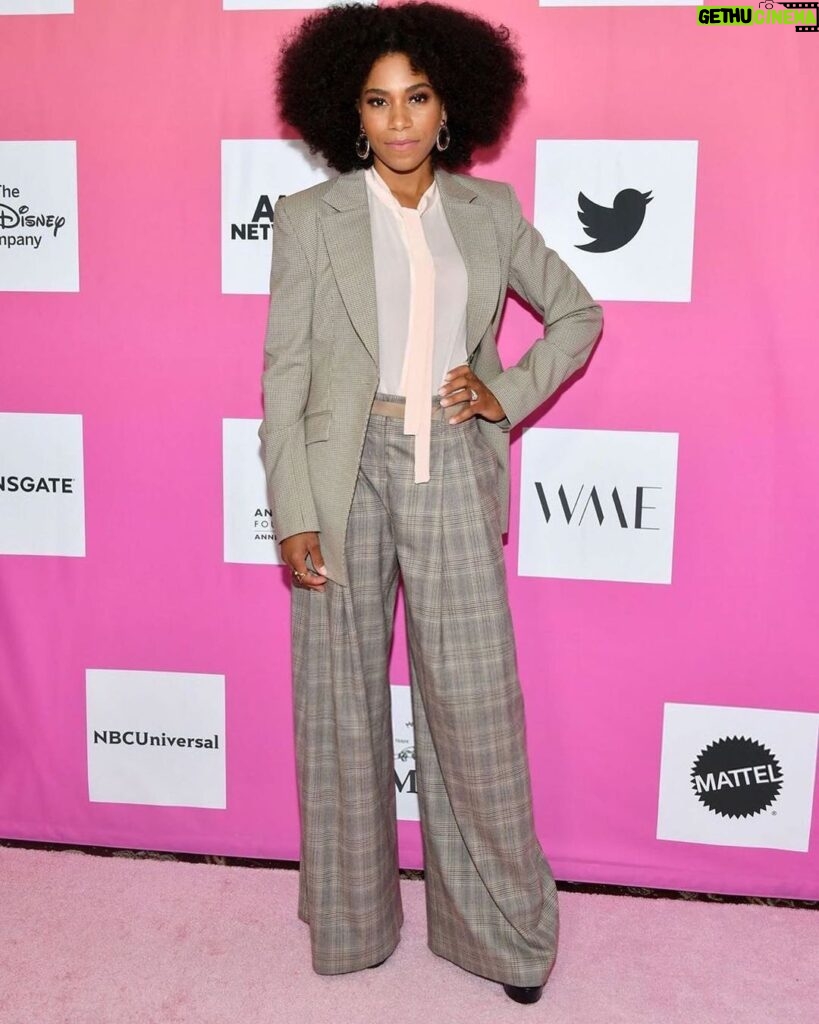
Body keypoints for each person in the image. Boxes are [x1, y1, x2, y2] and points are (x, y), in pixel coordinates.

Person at [258, 0, 603, 1005]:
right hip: (342, 463)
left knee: (473, 704)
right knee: (338, 703)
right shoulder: (308, 219)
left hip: (449, 452)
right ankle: (355, 926)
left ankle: (502, 935)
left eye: (416, 96)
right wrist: (293, 511)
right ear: (348, 114)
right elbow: (283, 376)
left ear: (449, 105)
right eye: (377, 100)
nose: (399, 118)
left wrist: (507, 392)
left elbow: (578, 314)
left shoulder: (489, 214)